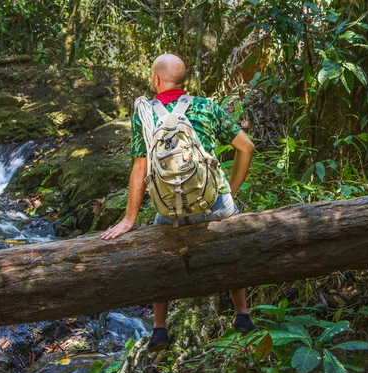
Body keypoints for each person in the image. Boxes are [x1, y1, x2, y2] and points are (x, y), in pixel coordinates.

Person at [100, 53, 257, 352]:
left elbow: (140, 168)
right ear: (184, 81)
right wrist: (230, 191)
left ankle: (159, 329)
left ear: (157, 80)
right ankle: (242, 314)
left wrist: (128, 220)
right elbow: (246, 147)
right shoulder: (206, 107)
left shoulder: (145, 113)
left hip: (172, 214)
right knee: (233, 235)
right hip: (214, 206)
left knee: (161, 251)